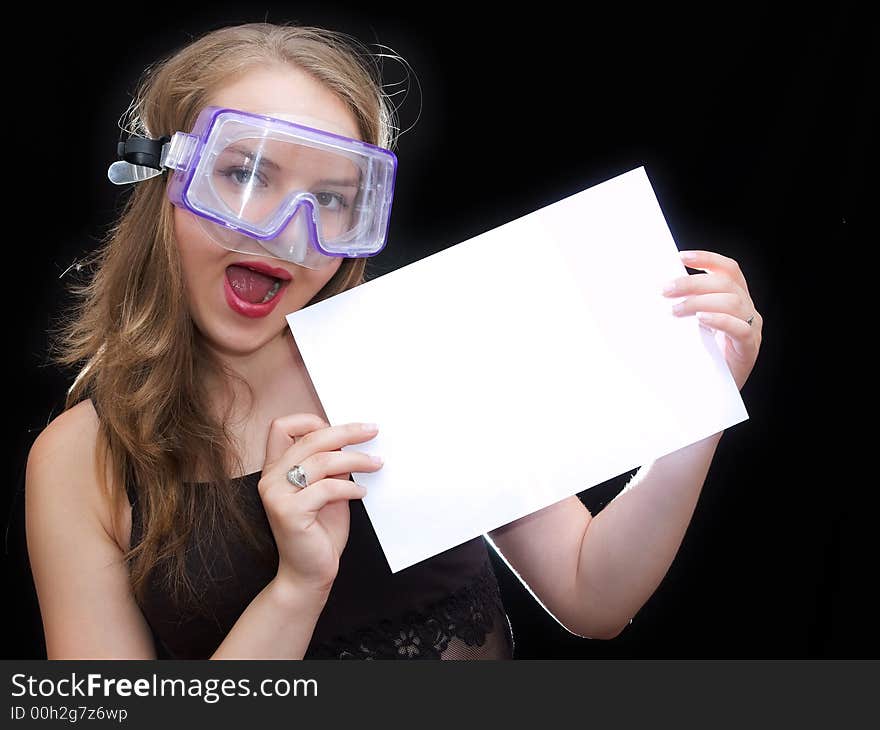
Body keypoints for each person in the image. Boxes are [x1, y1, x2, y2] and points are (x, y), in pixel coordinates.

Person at [25, 22, 763, 660]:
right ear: (166, 176)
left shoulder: (409, 347)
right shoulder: (80, 460)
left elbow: (591, 596)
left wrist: (701, 403)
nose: (288, 233)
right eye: (246, 173)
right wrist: (297, 587)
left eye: (335, 199)